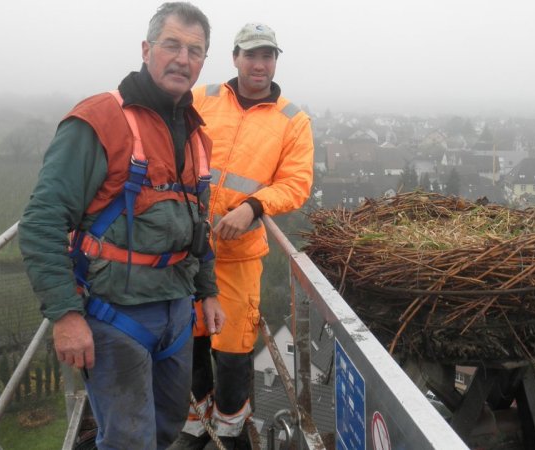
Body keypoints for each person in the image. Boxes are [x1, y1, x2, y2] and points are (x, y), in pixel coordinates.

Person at [18, 3, 225, 449]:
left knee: (168, 428)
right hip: (116, 314)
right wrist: (65, 314)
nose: (183, 59)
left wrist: (207, 290)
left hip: (177, 312)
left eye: (195, 50)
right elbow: (41, 221)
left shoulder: (194, 133)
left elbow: (198, 224)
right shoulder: (100, 120)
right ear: (146, 48)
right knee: (129, 440)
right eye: (171, 45)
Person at [170, 22, 314, 449]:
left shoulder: (292, 120)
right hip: (184, 246)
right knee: (188, 335)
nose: (259, 63)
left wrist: (252, 206)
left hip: (237, 252)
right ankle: (195, 424)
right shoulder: (202, 97)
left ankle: (230, 431)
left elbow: (296, 183)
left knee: (232, 344)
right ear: (235, 57)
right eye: (251, 54)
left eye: (268, 55)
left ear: (275, 61)